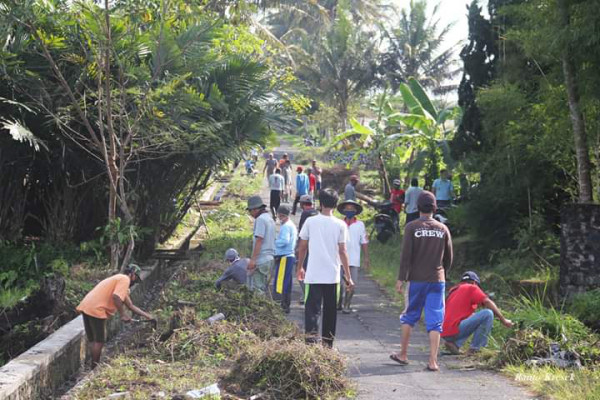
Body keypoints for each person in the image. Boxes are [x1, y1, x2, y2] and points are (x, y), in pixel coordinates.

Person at [390, 191, 453, 372]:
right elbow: (449, 258)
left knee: (409, 316)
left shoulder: (412, 227)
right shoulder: (443, 229)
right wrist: (444, 275)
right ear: (435, 208)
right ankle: (433, 361)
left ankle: (403, 354)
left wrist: (401, 278)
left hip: (417, 280)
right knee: (435, 321)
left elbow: (406, 256)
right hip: (437, 281)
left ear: (417, 207)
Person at [297, 188, 354, 348]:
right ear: (336, 205)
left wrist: (300, 267)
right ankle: (328, 346)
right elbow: (343, 251)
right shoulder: (340, 224)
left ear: (320, 203)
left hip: (313, 275)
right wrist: (348, 277)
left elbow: (302, 247)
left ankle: (311, 345)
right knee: (330, 312)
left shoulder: (310, 221)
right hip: (332, 277)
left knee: (312, 311)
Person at [76, 264, 154, 368]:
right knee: (99, 341)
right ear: (132, 274)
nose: (134, 281)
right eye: (136, 278)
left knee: (93, 340)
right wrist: (123, 314)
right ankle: (94, 368)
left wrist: (147, 315)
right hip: (97, 309)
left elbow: (130, 305)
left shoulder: (119, 281)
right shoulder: (124, 279)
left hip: (87, 306)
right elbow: (116, 297)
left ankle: (90, 365)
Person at [442, 271, 514, 355]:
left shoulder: (453, 290)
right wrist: (503, 320)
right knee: (487, 314)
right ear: (474, 282)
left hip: (445, 331)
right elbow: (487, 302)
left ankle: (454, 344)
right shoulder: (472, 287)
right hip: (454, 329)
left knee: (474, 316)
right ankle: (476, 349)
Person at [337, 200, 369, 314]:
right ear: (343, 211)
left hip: (354, 259)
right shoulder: (339, 224)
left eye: (352, 209)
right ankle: (338, 303)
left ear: (355, 211)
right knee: (339, 284)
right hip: (339, 259)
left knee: (352, 283)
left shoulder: (360, 225)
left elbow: (364, 241)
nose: (349, 211)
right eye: (347, 209)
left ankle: (347, 305)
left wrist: (366, 257)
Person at [246, 195, 276, 295]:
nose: (250, 213)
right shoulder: (269, 218)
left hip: (262, 259)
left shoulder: (260, 220)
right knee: (263, 288)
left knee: (257, 290)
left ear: (255, 209)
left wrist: (253, 260)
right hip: (270, 259)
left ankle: (260, 310)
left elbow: (259, 240)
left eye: (250, 211)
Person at [273, 205, 297, 313]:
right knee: (287, 281)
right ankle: (286, 304)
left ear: (282, 215)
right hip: (289, 256)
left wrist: (274, 242)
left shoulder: (286, 226)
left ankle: (280, 305)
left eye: (279, 215)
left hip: (284, 257)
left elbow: (284, 240)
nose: (278, 217)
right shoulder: (290, 225)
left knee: (280, 282)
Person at [297, 194, 319, 304]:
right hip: (317, 247)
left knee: (301, 270)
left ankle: (306, 294)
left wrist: (298, 247)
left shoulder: (305, 214)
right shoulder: (317, 213)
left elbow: (302, 233)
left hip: (307, 247)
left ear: (302, 204)